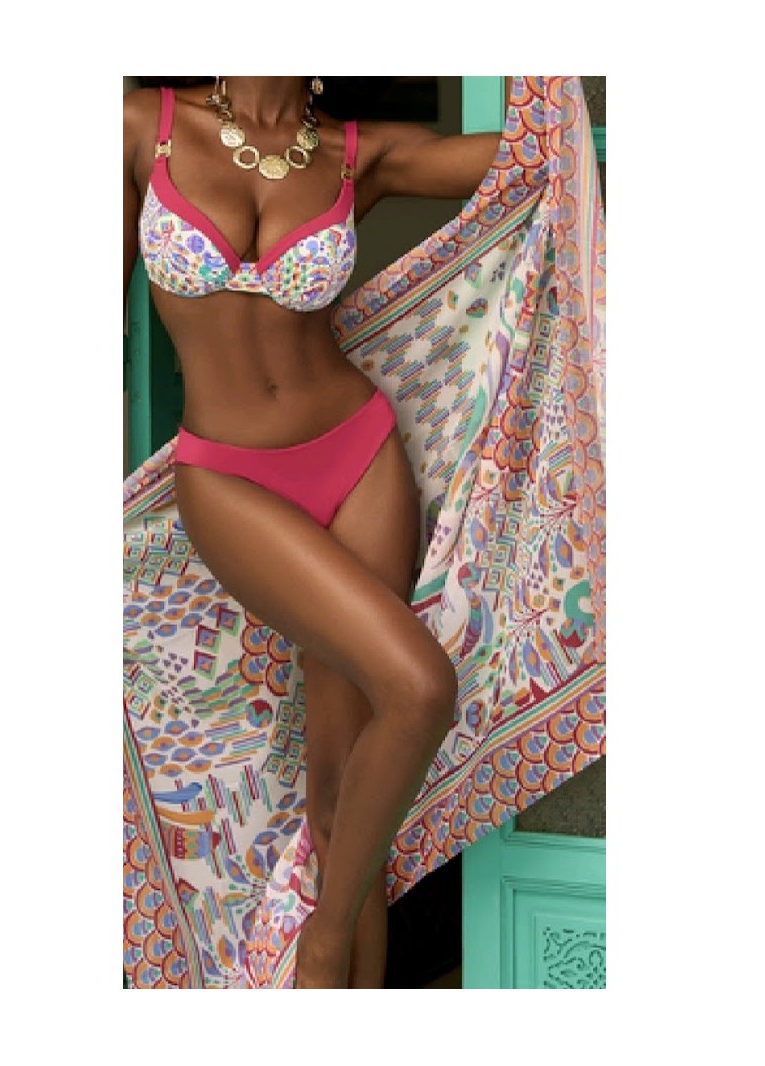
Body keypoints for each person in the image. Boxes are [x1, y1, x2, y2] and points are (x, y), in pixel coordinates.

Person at [123, 76, 606, 991]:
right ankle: (325, 943)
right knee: (420, 686)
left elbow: (542, 154)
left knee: (343, 808)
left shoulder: (360, 153)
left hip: (361, 457)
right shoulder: (141, 125)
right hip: (227, 476)